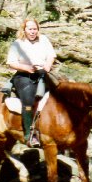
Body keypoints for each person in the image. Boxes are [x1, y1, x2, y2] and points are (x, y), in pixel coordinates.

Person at [6, 19, 56, 147]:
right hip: (24, 75)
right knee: (28, 101)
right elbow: (11, 63)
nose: (33, 32)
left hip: (43, 72)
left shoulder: (44, 39)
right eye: (30, 29)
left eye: (35, 29)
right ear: (24, 30)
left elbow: (51, 55)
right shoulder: (17, 44)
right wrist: (27, 68)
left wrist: (47, 67)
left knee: (62, 91)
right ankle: (30, 134)